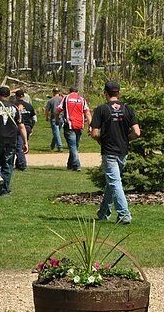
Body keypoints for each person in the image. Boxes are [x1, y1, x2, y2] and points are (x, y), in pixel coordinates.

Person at [90, 81, 141, 225]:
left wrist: (101, 141)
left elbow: (94, 133)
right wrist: (126, 139)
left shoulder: (101, 109)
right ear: (118, 93)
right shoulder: (127, 108)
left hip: (109, 150)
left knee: (115, 182)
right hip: (123, 150)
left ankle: (124, 214)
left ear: (105, 93)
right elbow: (137, 132)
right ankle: (103, 212)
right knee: (112, 182)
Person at [0, 85, 28, 197]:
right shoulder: (15, 107)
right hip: (11, 141)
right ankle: (4, 190)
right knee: (8, 165)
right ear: (9, 96)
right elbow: (21, 126)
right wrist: (25, 141)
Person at [60, 86, 91, 170]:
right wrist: (90, 125)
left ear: (69, 91)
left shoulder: (66, 98)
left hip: (69, 125)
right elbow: (87, 113)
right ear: (77, 91)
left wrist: (56, 119)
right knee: (75, 146)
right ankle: (70, 165)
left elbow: (58, 109)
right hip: (80, 125)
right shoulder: (82, 99)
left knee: (73, 146)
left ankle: (77, 165)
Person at [13, 89, 36, 171]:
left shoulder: (13, 105)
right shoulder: (29, 106)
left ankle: (23, 165)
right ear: (23, 96)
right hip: (27, 127)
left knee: (19, 147)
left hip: (18, 128)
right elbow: (34, 119)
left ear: (16, 96)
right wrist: (31, 127)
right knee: (22, 145)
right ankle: (18, 164)